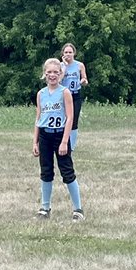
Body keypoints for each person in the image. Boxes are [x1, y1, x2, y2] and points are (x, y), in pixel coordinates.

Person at [33, 57, 83, 221]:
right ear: (44, 74)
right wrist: (35, 141)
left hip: (60, 135)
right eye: (49, 72)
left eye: (56, 72)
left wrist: (64, 141)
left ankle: (78, 209)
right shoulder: (41, 94)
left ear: (61, 74)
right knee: (46, 172)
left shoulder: (65, 92)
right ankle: (45, 208)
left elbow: (70, 118)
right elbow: (38, 118)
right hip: (45, 136)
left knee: (67, 171)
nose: (52, 75)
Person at [60, 43, 88, 149]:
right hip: (63, 96)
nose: (68, 54)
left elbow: (85, 79)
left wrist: (83, 81)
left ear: (74, 53)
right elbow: (59, 80)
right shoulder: (60, 65)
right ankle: (62, 142)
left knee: (74, 120)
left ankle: (72, 145)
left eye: (70, 52)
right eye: (66, 52)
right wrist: (65, 66)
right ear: (62, 54)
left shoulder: (79, 65)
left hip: (75, 95)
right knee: (63, 118)